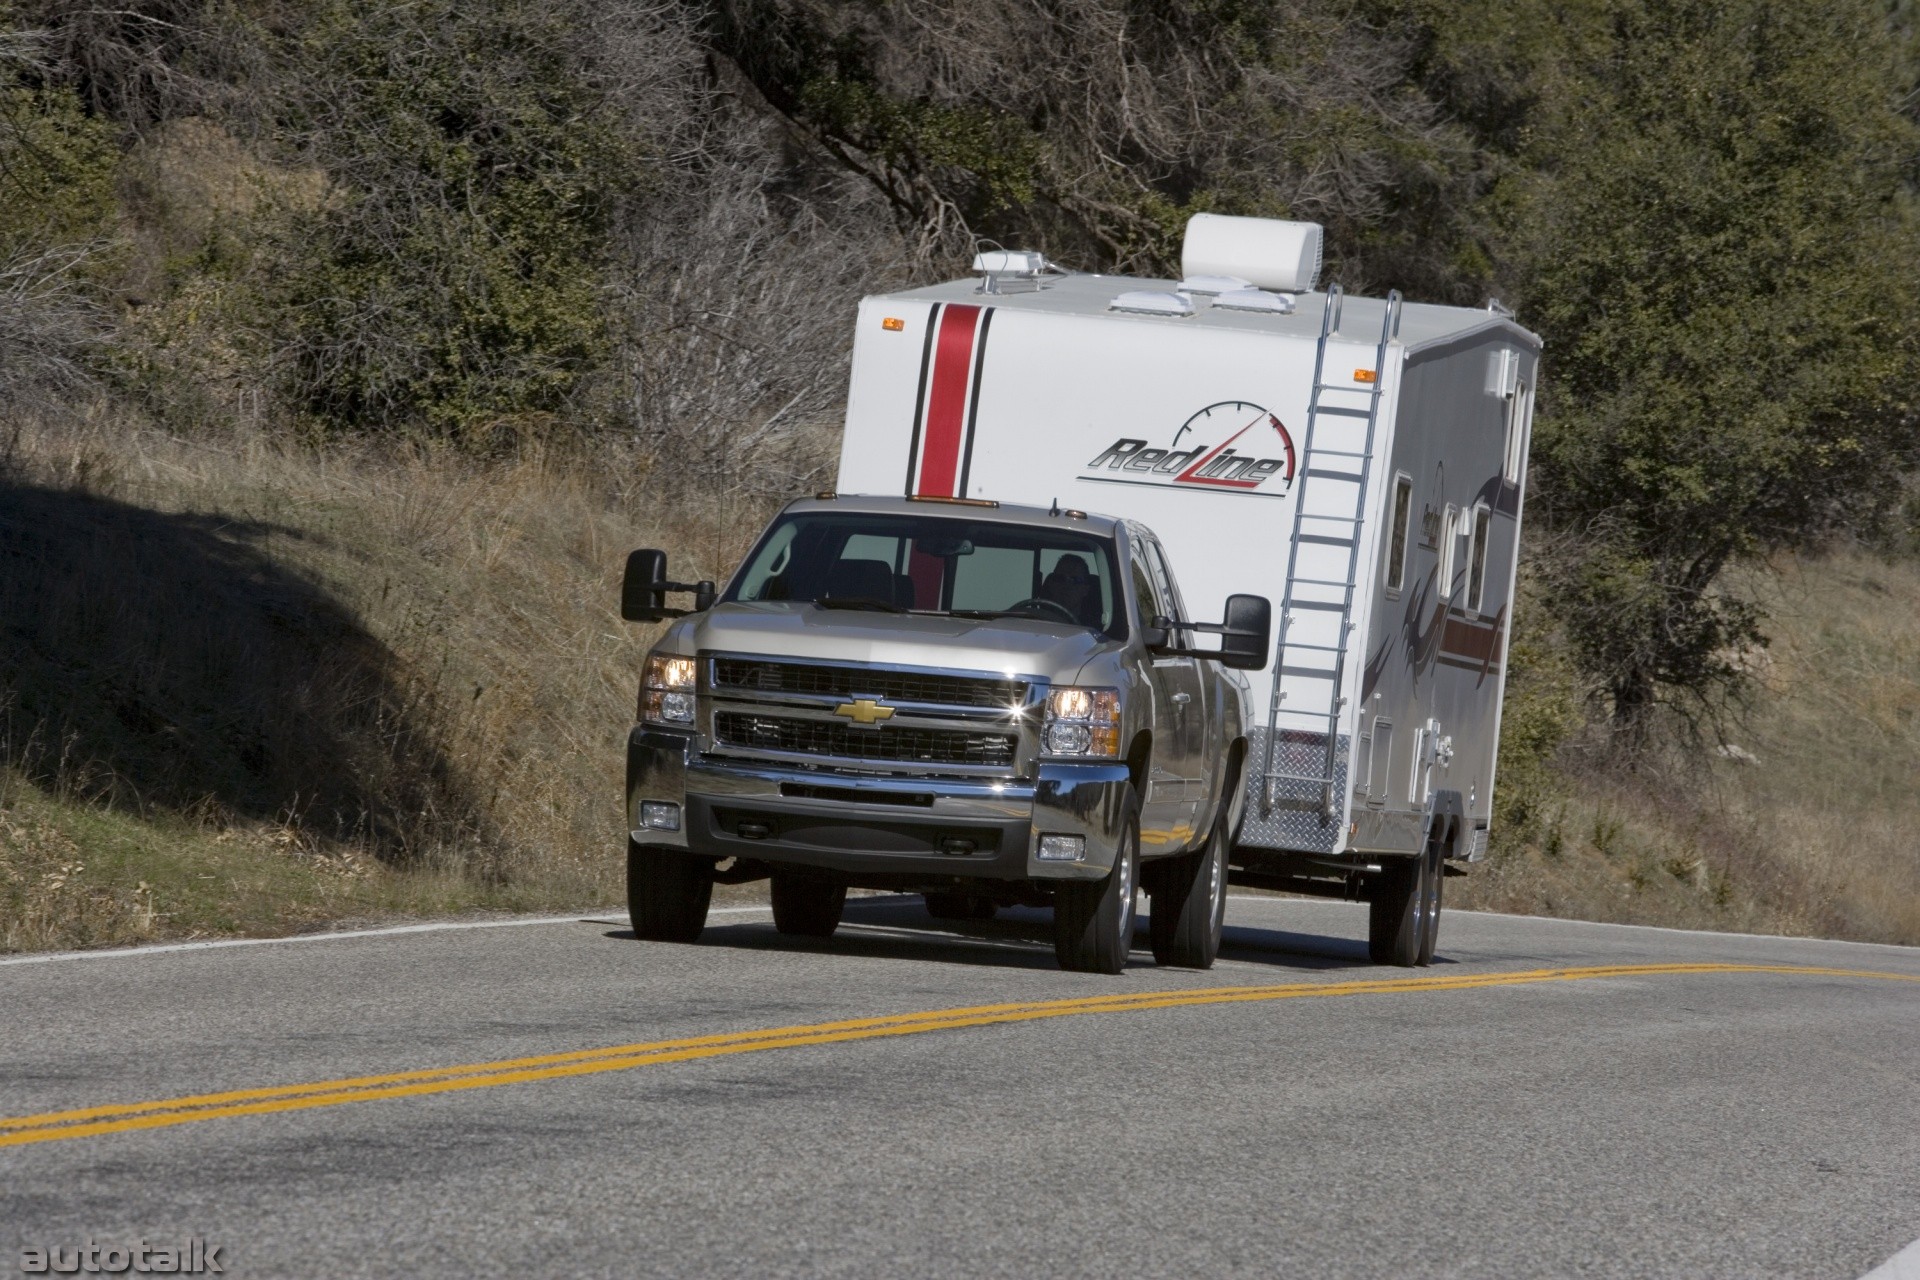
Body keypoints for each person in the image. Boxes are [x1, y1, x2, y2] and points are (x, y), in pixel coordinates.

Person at [1036, 554, 1100, 626]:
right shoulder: (1033, 622)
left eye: (1075, 580)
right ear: (1051, 584)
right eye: (1060, 579)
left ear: (1086, 589)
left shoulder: (1094, 632)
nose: (1066, 585)